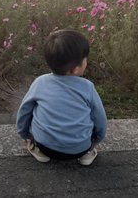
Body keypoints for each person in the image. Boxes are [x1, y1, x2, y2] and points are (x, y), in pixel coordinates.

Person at [16, 29, 107, 165]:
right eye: (85, 58)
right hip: (80, 148)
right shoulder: (87, 87)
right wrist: (97, 139)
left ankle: (38, 151)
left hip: (45, 146)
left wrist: (24, 134)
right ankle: (87, 154)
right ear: (75, 68)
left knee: (35, 112)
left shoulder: (40, 82)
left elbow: (24, 111)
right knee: (89, 121)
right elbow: (100, 118)